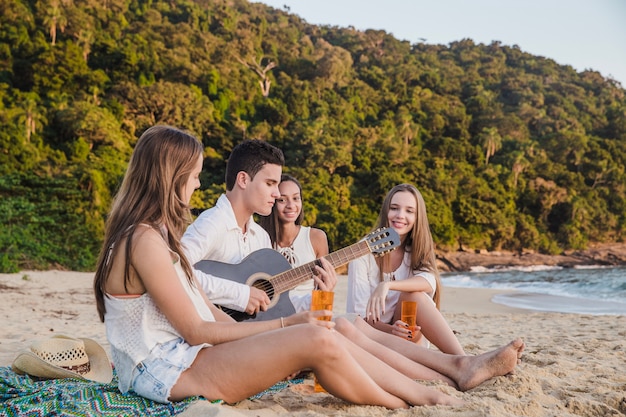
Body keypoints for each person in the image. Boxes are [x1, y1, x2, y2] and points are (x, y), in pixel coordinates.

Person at [93, 125, 525, 408]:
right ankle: (417, 399)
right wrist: (286, 325)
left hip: (187, 358)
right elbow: (197, 331)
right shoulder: (144, 241)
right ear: (169, 176)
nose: (199, 184)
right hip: (166, 372)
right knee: (317, 339)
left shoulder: (157, 237)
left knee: (325, 330)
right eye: (193, 175)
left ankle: (440, 380)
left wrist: (284, 320)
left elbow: (206, 312)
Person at [347, 183, 465, 355]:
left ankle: (461, 358)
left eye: (409, 211)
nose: (400, 216)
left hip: (409, 333)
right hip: (374, 337)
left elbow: (429, 281)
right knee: (412, 295)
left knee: (413, 295)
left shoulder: (416, 249)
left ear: (418, 217)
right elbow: (359, 317)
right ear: (386, 211)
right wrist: (391, 331)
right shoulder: (362, 252)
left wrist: (386, 285)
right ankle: (461, 361)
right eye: (394, 208)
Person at [181, 139, 284, 316]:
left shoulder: (261, 237)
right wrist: (240, 295)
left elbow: (271, 301)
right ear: (243, 180)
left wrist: (314, 296)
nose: (277, 193)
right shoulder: (211, 223)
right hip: (210, 333)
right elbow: (178, 273)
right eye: (269, 183)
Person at [258, 174, 337, 312]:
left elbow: (323, 300)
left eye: (296, 198)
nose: (291, 205)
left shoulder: (316, 237)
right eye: (282, 199)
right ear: (272, 202)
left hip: (308, 315)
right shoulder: (259, 239)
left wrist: (327, 293)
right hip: (271, 318)